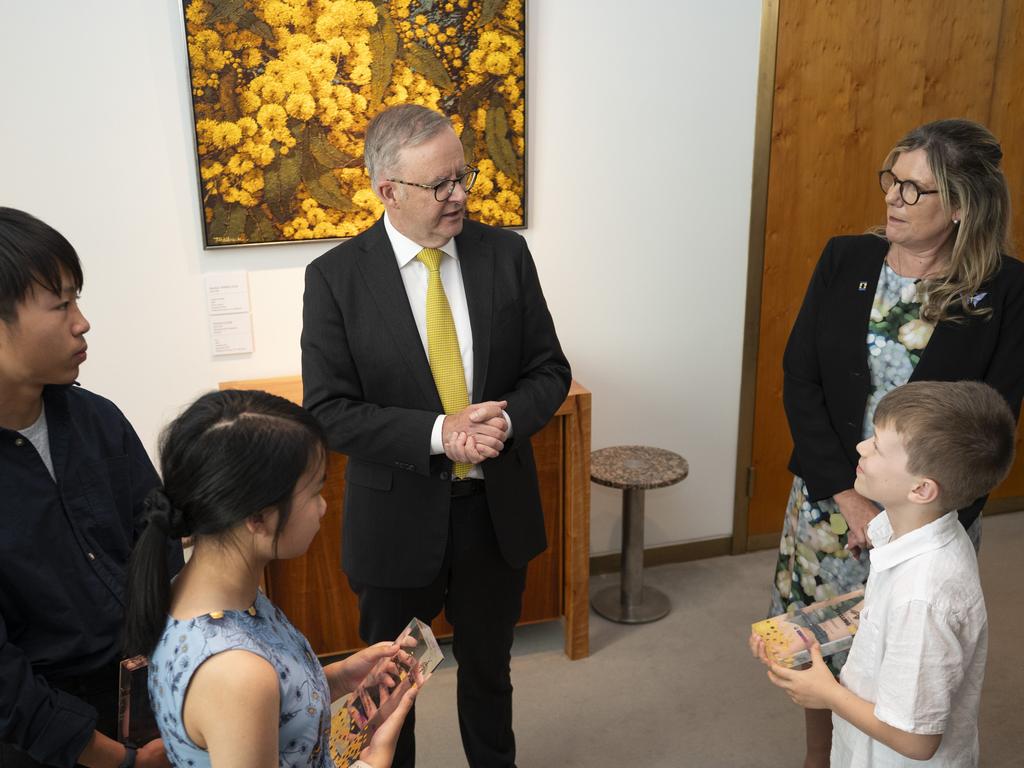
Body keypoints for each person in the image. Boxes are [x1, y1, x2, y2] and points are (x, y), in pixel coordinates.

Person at [301, 103, 571, 767]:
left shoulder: (505, 254)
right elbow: (329, 409)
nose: (459, 196)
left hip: (492, 514)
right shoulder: (335, 279)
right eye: (439, 184)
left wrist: (502, 421)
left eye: (462, 177)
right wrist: (438, 432)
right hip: (395, 522)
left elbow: (549, 369)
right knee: (387, 689)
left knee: (489, 674)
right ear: (387, 190)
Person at [767, 118, 1024, 766]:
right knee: (824, 646)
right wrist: (848, 499)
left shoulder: (1008, 289)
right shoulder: (845, 258)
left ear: (962, 205)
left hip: (929, 515)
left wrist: (905, 521)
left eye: (915, 190)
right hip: (831, 499)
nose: (893, 199)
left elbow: (992, 422)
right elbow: (801, 379)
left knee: (909, 655)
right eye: (892, 181)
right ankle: (820, 759)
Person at [123, 389, 418, 768]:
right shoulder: (236, 674)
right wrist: (371, 764)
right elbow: (247, 699)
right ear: (258, 519)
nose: (324, 506)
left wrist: (339, 678)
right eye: (314, 492)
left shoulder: (209, 592)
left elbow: (271, 714)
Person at [0, 207, 182, 768]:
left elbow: (161, 544)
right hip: (39, 737)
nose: (82, 322)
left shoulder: (96, 420)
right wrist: (107, 757)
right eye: (61, 305)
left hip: (145, 700)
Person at [755, 379, 1016, 766]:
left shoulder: (923, 597)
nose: (860, 447)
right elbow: (884, 609)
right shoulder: (915, 530)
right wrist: (814, 626)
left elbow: (916, 741)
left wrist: (826, 694)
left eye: (876, 445)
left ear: (921, 489)